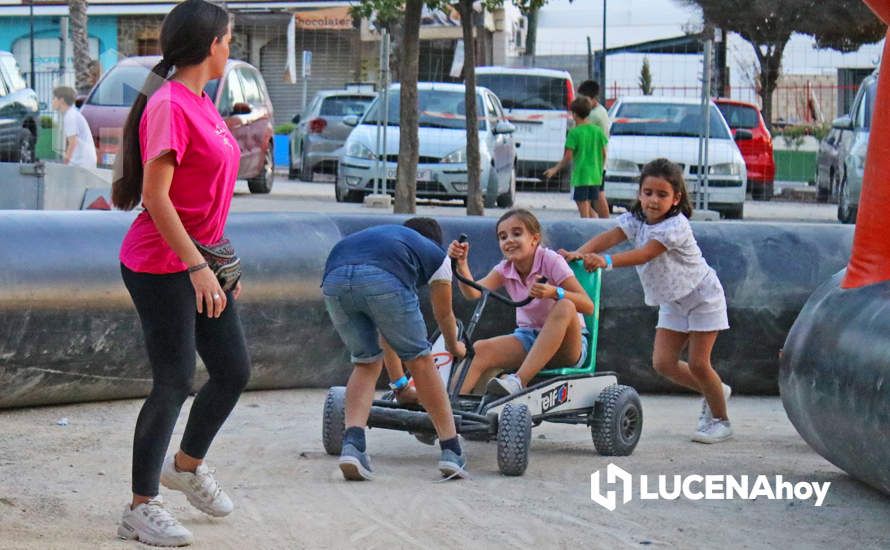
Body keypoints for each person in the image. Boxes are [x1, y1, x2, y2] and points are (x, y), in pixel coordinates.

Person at [111, 0, 249, 546]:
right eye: (229, 38)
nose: (230, 47)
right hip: (160, 262)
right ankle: (141, 507)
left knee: (233, 370)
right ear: (210, 43)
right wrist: (196, 267)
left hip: (201, 260)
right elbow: (155, 197)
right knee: (174, 380)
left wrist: (219, 260)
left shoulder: (201, 101)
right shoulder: (170, 104)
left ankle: (186, 466)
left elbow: (203, 197)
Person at [559, 158, 733, 444]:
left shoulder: (675, 226)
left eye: (662, 194)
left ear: (676, 198)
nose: (653, 200)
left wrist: (604, 262)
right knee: (663, 363)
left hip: (703, 296)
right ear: (640, 193)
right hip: (672, 300)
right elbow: (608, 237)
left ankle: (720, 419)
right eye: (648, 192)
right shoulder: (635, 220)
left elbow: (645, 254)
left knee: (700, 364)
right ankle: (715, 390)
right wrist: (578, 254)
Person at [322, 217, 469, 481]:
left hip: (334, 275)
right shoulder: (436, 255)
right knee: (421, 361)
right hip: (382, 278)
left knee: (365, 362)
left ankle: (353, 446)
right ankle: (451, 450)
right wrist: (453, 345)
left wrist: (400, 386)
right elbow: (444, 315)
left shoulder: (385, 237)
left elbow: (387, 336)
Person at [447, 208, 593, 396]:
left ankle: (518, 381)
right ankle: (446, 407)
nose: (509, 240)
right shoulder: (505, 269)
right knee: (480, 348)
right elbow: (473, 293)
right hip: (529, 338)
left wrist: (554, 292)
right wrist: (462, 263)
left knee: (565, 305)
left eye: (516, 233)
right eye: (502, 236)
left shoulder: (551, 260)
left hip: (567, 345)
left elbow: (588, 305)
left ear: (534, 239)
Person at [543, 97, 608, 219]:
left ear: (574, 114)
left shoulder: (574, 133)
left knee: (583, 208)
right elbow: (604, 153)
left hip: (581, 175)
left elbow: (568, 157)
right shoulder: (598, 131)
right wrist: (600, 169)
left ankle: (586, 233)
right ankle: (594, 231)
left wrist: (555, 169)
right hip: (595, 175)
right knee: (590, 206)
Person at [577, 80, 612, 219]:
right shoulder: (601, 110)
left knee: (592, 196)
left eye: (583, 99)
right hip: (595, 161)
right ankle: (597, 223)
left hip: (592, 161)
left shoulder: (593, 115)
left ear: (592, 98)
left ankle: (601, 223)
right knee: (594, 195)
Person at [51, 86, 97, 169]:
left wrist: (65, 164)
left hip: (82, 162)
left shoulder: (70, 116)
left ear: (61, 100)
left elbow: (72, 143)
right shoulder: (72, 113)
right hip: (83, 161)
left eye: (54, 98)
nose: (52, 101)